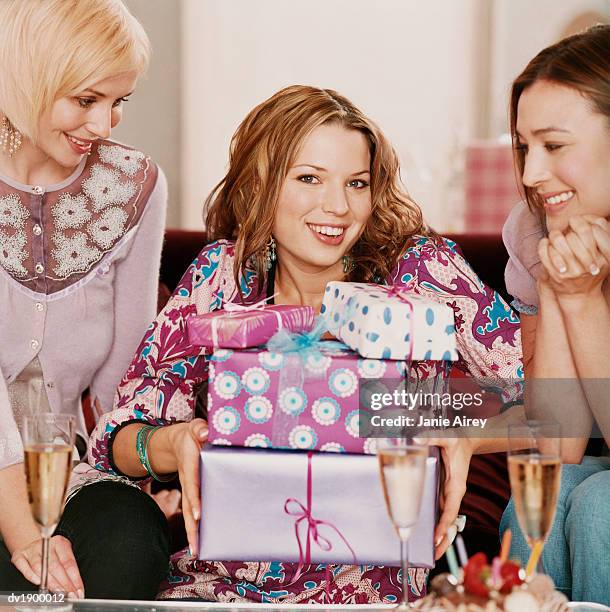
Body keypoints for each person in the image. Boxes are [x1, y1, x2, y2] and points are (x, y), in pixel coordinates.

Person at [88, 84, 523, 603]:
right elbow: (114, 439)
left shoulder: (420, 269)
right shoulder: (221, 277)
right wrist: (173, 443)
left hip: (366, 591)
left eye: (356, 183)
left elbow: (556, 404)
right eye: (309, 178)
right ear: (260, 186)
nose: (337, 207)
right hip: (216, 589)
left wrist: (447, 422)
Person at [0, 0, 170, 600]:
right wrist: (23, 531)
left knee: (129, 545)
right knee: (20, 580)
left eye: (119, 101)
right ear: (31, 78)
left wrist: (152, 460)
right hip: (8, 481)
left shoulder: (133, 186)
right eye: (86, 99)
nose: (104, 125)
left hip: (64, 467)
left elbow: (130, 369)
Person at [500, 25, 610, 605]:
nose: (531, 174)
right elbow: (557, 444)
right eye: (524, 147)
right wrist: (563, 290)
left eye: (554, 145)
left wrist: (588, 300)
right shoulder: (537, 228)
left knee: (601, 509)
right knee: (539, 492)